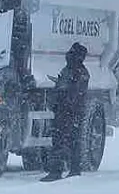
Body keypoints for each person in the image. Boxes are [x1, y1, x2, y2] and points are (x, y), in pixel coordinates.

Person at [40, 42, 90, 182]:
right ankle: (74, 169)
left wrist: (60, 95)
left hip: (67, 111)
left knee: (60, 140)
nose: (68, 56)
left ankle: (56, 171)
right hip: (73, 111)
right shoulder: (80, 71)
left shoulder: (74, 71)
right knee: (73, 140)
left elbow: (71, 93)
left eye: (71, 53)